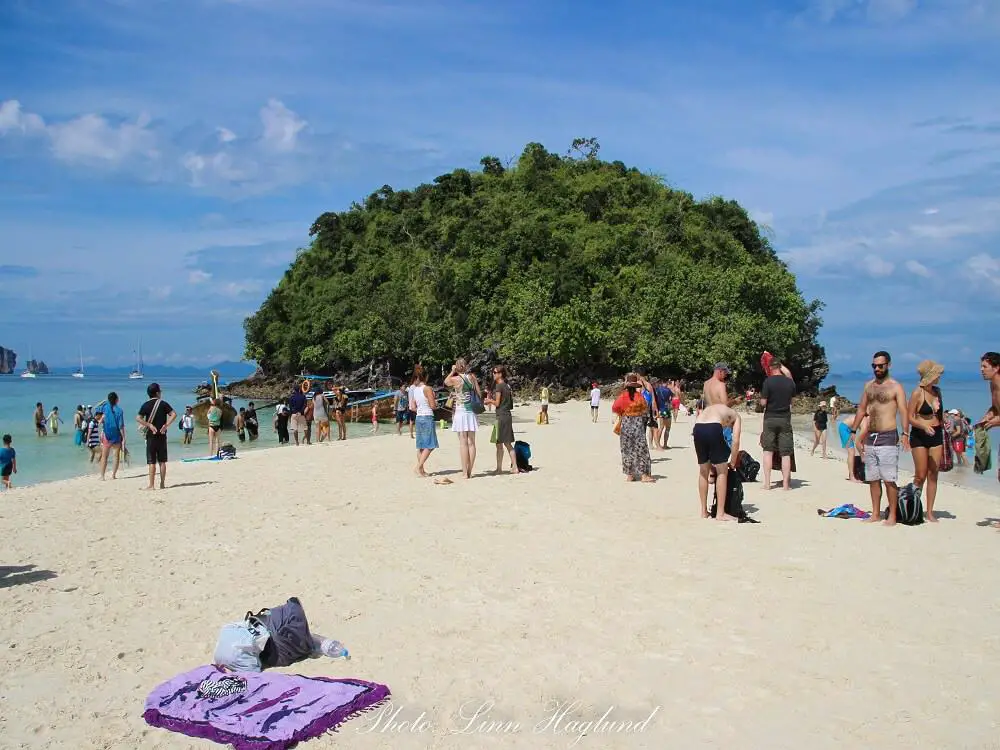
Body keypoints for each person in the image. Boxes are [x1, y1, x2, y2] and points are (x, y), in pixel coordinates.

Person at [849, 351, 911, 525]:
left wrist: (906, 433)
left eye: (880, 365)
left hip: (888, 436)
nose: (877, 368)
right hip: (871, 437)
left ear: (888, 365)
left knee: (889, 479)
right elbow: (862, 409)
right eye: (874, 366)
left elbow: (903, 411)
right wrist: (854, 431)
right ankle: (875, 513)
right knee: (873, 478)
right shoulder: (868, 386)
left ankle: (892, 515)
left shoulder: (895, 387)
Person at [908, 360, 945, 522]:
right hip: (919, 435)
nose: (939, 377)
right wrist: (923, 426)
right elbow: (909, 417)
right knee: (920, 475)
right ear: (930, 376)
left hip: (936, 434)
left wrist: (946, 422)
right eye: (937, 374)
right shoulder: (917, 393)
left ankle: (930, 512)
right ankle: (913, 506)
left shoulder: (938, 392)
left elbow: (939, 414)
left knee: (933, 474)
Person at [692, 403, 742, 520]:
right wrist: (733, 462)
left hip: (698, 427)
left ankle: (704, 511)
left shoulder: (716, 409)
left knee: (703, 470)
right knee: (722, 470)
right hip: (713, 427)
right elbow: (735, 441)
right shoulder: (736, 416)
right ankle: (720, 513)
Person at [611, 374, 656, 483]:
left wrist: (624, 411)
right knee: (641, 449)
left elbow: (615, 408)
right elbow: (645, 409)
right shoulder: (639, 397)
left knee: (627, 449)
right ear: (635, 386)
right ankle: (644, 475)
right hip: (637, 424)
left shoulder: (622, 396)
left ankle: (630, 475)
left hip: (626, 424)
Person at [759, 360, 796, 490]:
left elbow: (763, 403)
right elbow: (792, 401)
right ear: (780, 367)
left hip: (770, 419)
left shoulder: (768, 382)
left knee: (768, 451)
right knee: (785, 453)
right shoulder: (790, 382)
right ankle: (786, 485)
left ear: (770, 368)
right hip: (785, 419)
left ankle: (768, 484)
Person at [445, 358, 481, 479]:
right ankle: (470, 469)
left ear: (457, 366)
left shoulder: (456, 379)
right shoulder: (472, 377)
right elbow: (479, 393)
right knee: (472, 443)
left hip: (461, 411)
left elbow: (445, 382)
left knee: (463, 443)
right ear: (465, 366)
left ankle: (465, 472)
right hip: (471, 411)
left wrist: (452, 371)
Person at [136, 382, 176, 490]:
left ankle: (151, 485)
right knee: (162, 461)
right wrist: (166, 425)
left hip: (151, 436)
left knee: (151, 461)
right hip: (162, 435)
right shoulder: (163, 404)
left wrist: (148, 424)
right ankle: (162, 484)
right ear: (157, 393)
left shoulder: (145, 405)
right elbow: (174, 414)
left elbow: (138, 418)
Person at [487, 365, 520, 475]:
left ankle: (508, 467)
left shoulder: (499, 387)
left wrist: (489, 401)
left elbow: (497, 403)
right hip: (507, 415)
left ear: (500, 374)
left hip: (501, 416)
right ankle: (505, 467)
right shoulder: (507, 386)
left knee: (502, 443)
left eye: (495, 372)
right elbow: (510, 404)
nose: (493, 374)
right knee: (504, 443)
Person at [409, 365, 438, 476]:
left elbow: (412, 407)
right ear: (426, 377)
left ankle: (421, 470)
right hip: (427, 417)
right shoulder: (427, 389)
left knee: (421, 446)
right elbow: (432, 406)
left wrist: (420, 409)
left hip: (418, 417)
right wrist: (435, 404)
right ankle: (418, 467)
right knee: (430, 445)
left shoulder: (415, 389)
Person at [976, 352, 1000, 483]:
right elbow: (996, 407)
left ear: (996, 368)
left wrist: (996, 421)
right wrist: (988, 415)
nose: (981, 370)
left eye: (984, 366)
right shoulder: (993, 384)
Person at [98, 392, 126, 481]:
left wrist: (103, 402)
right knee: (116, 456)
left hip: (107, 434)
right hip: (116, 434)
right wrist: (124, 437)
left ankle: (102, 476)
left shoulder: (105, 407)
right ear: (117, 399)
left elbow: (97, 409)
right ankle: (113, 475)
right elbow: (121, 425)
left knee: (104, 456)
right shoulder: (119, 410)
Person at [655, 379, 673, 448]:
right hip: (666, 409)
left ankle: (658, 444)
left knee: (661, 427)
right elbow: (672, 397)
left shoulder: (658, 390)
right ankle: (665, 445)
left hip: (661, 409)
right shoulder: (668, 390)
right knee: (667, 428)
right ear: (667, 383)